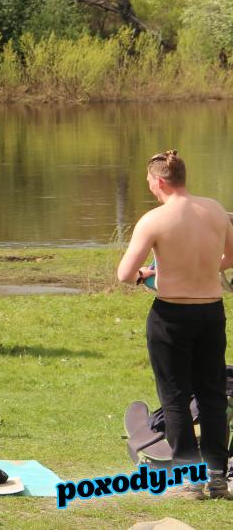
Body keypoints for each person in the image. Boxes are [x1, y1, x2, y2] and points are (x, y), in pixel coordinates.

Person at [116, 150, 233, 500]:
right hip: (211, 312)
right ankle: (218, 478)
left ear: (160, 181)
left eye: (150, 181)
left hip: (171, 315)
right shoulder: (213, 209)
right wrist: (205, 268)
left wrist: (147, 275)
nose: (150, 186)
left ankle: (192, 480)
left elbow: (124, 274)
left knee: (176, 397)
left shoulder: (154, 220)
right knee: (212, 395)